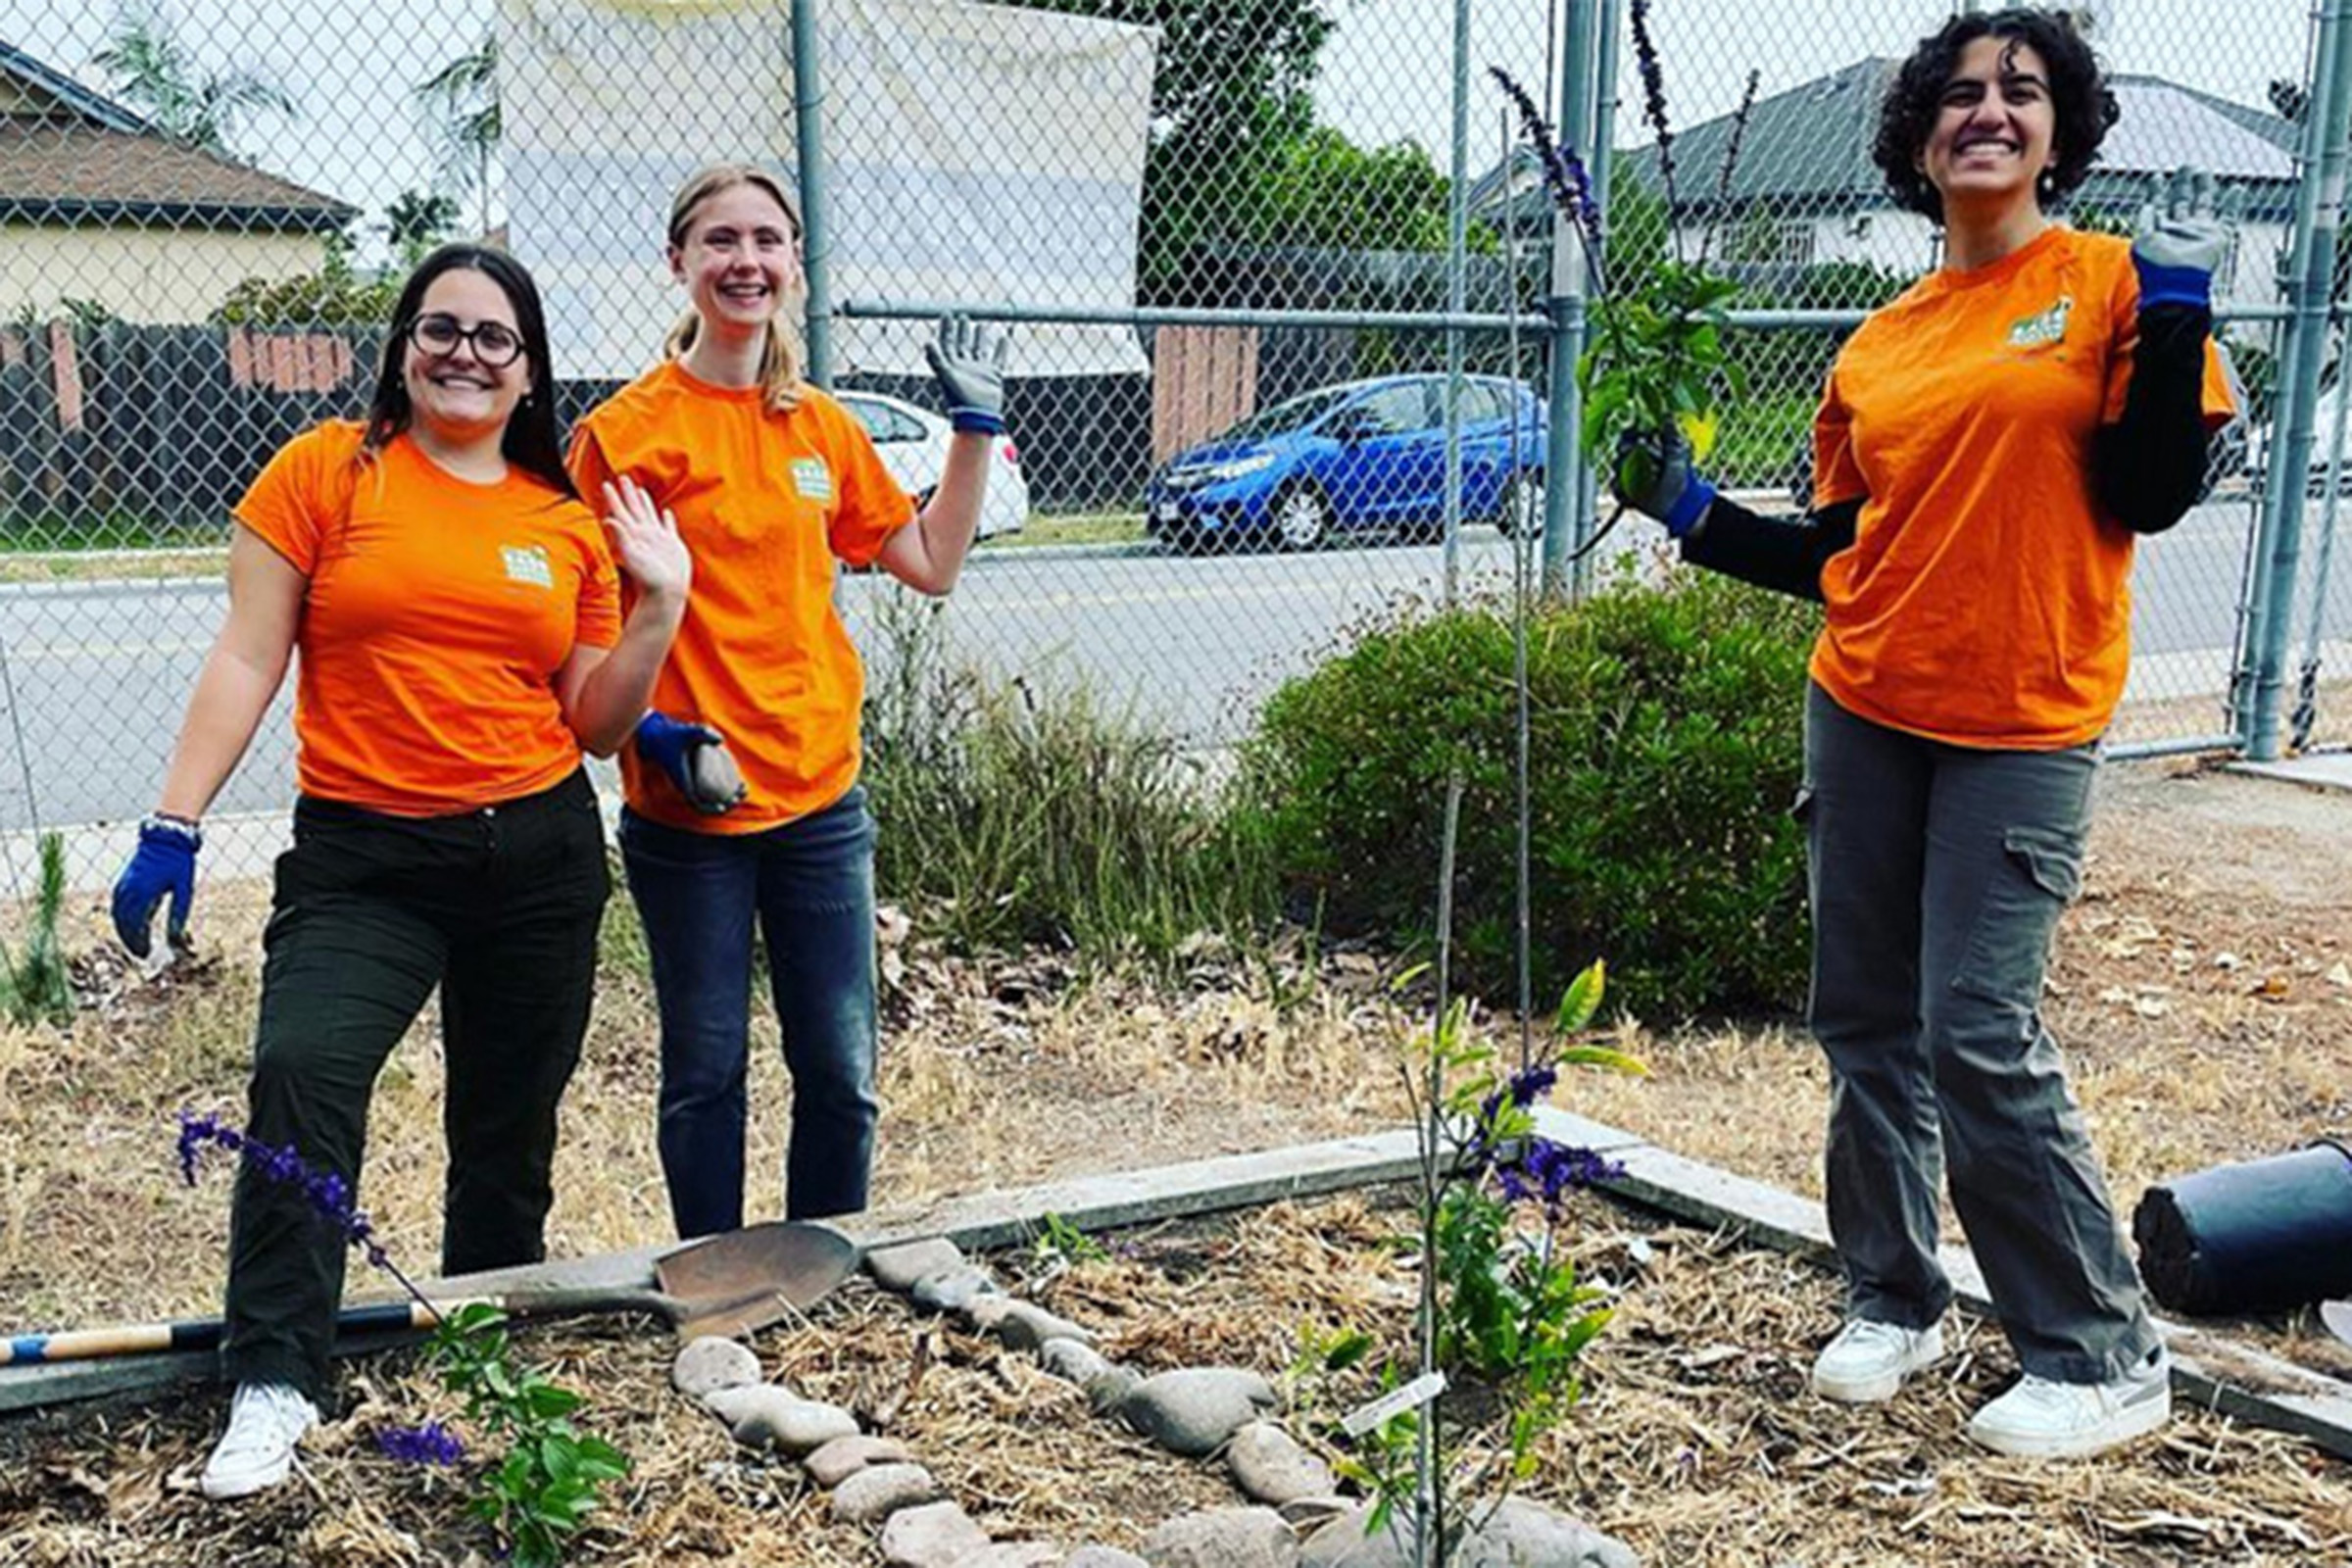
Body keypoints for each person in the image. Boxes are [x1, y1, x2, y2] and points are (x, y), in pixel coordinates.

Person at [1610, 8, 2232, 1458]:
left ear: (2062, 131)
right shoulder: (1880, 342)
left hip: (2022, 721)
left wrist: (2186, 305)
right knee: (1865, 1022)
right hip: (1867, 704)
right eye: (1958, 95)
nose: (1988, 112)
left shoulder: (2112, 284)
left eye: (2021, 92)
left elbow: (2148, 492)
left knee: (1976, 1032)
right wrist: (1693, 516)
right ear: (1916, 138)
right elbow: (1847, 550)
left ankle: (2099, 1347)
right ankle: (1894, 1294)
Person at [109, 244, 692, 1500]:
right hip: (364, 860)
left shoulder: (561, 519)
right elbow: (247, 657)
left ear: (529, 370)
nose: (466, 354)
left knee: (506, 1123)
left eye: (495, 337)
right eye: (442, 328)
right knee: (301, 1072)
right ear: (403, 343)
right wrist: (174, 821)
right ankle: (275, 1376)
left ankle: (480, 1336)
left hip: (535, 855)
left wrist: (657, 611)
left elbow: (592, 722)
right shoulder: (326, 471)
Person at [568, 164, 1004, 1240]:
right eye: (720, 241)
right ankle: (716, 1278)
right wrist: (656, 734)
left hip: (820, 801)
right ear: (679, 262)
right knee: (706, 1074)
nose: (746, 262)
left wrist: (973, 429)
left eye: (767, 241)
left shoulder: (820, 428)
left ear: (793, 264)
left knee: (841, 1072)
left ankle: (826, 1268)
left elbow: (930, 561)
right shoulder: (627, 435)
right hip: (692, 814)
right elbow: (579, 637)